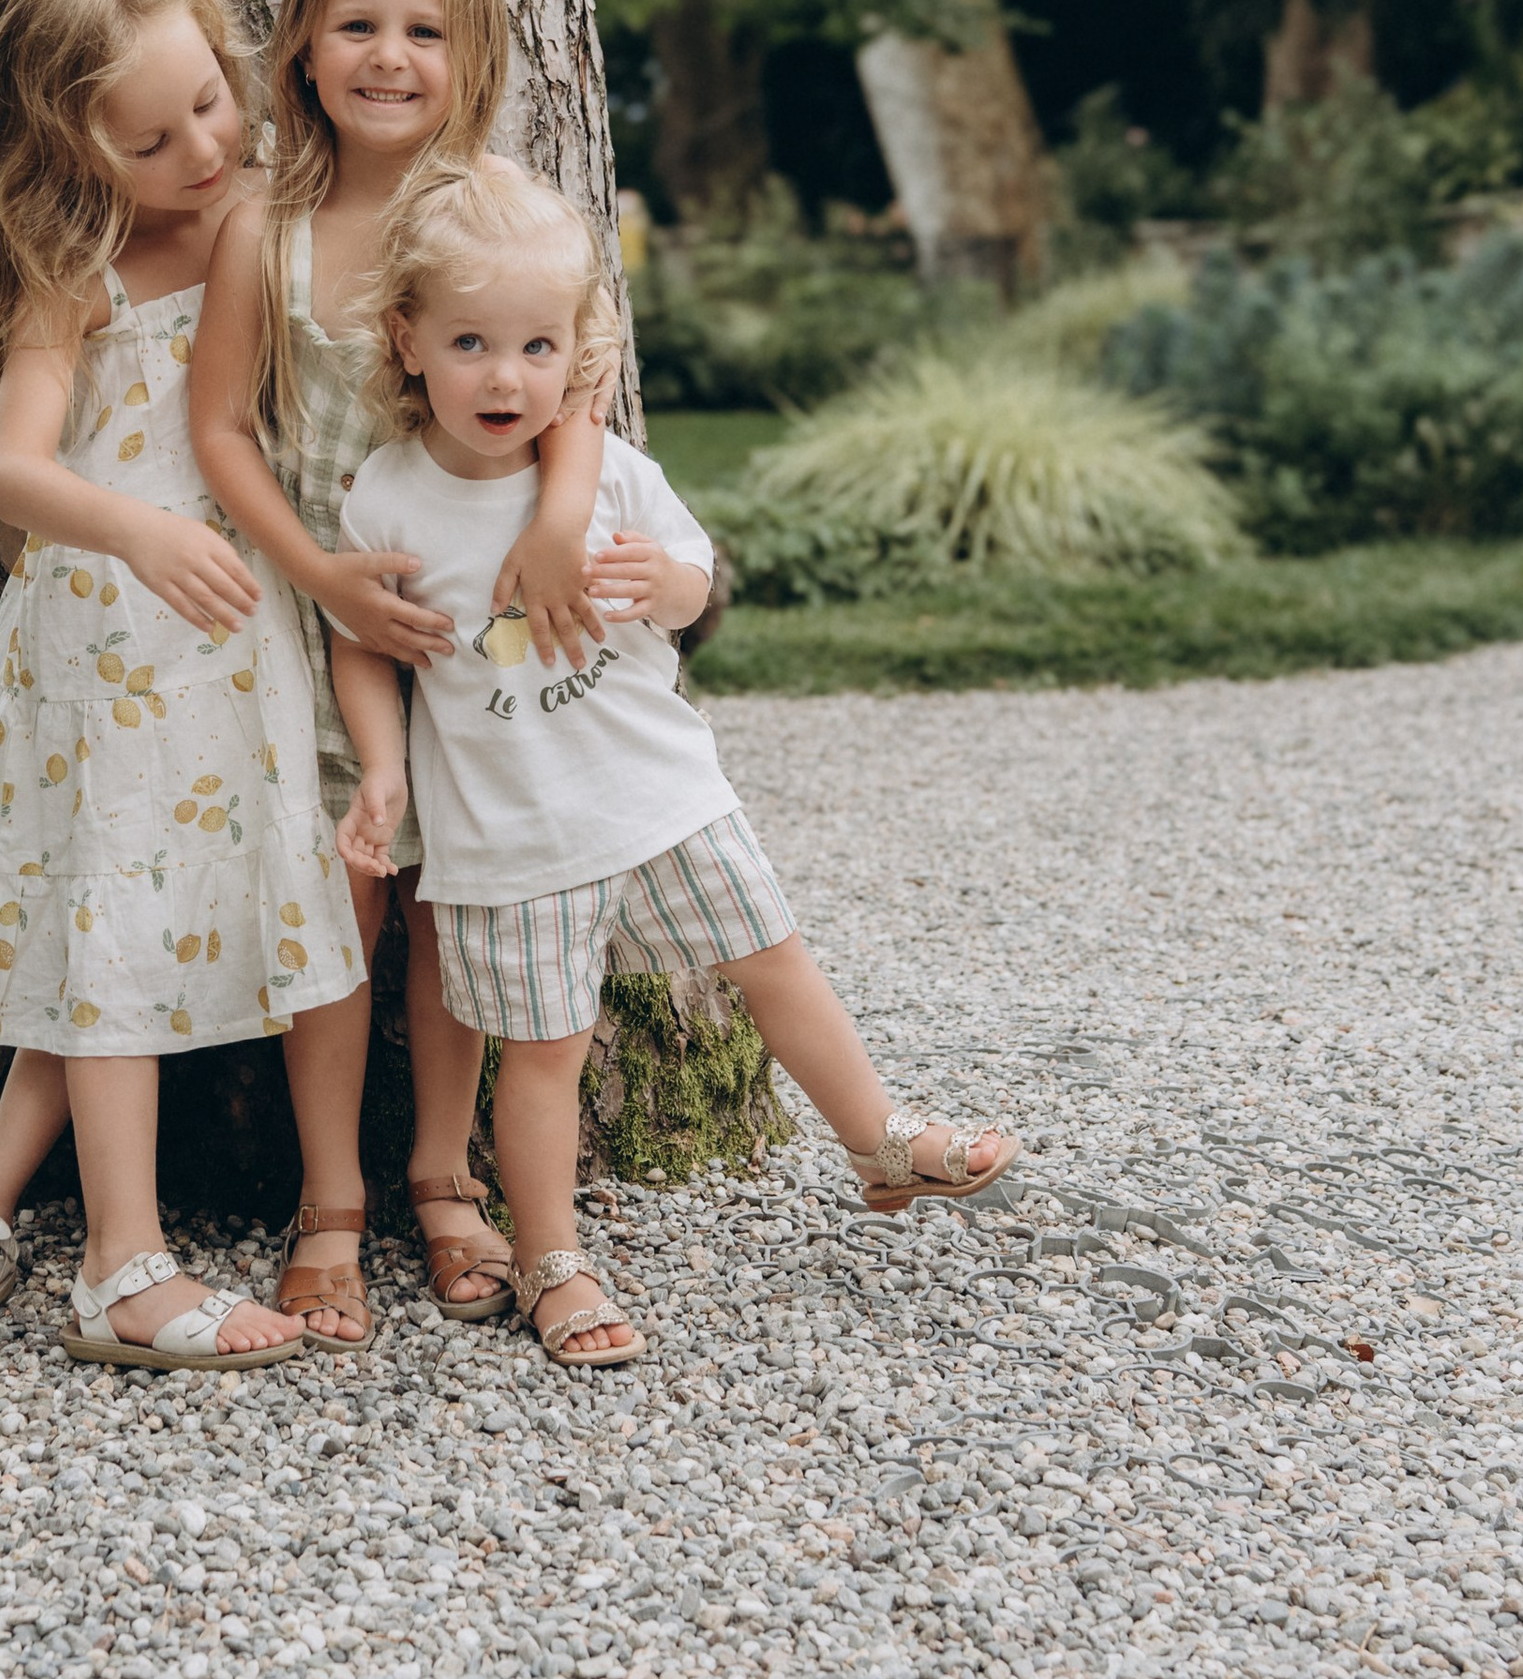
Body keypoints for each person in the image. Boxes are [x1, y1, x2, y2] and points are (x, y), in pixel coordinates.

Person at [328, 165, 1015, 1373]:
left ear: (574, 355)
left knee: (773, 955)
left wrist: (671, 586)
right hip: (511, 839)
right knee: (543, 1052)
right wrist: (381, 775)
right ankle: (551, 1258)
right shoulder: (387, 498)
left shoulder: (613, 472)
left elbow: (694, 581)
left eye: (538, 346)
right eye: (472, 343)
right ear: (408, 340)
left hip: (661, 799)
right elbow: (362, 653)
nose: (506, 377)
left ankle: (877, 1139)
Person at [0, 0, 364, 1373]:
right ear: (70, 148)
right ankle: (124, 1271)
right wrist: (135, 531)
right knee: (111, 933)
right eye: (150, 139)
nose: (202, 149)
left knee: (112, 946)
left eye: (212, 99)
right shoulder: (70, 265)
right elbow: (17, 470)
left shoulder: (265, 212)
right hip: (107, 644)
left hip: (227, 645)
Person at [187, 0, 609, 1351]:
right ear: (301, 42)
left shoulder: (493, 214)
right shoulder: (271, 224)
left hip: (478, 633)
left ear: (474, 52)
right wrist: (315, 575)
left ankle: (444, 1170)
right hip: (319, 629)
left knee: (462, 907)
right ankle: (329, 1202)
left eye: (425, 30)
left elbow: (581, 391)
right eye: (357, 23)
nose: (388, 56)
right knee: (340, 909)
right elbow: (224, 433)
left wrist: (559, 526)